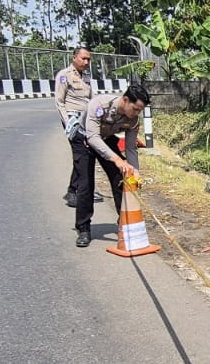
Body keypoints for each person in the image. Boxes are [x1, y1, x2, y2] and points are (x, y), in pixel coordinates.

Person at [74, 84, 150, 248]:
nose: (137, 114)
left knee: (120, 177)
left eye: (140, 111)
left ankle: (124, 221)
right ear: (125, 100)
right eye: (135, 109)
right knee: (85, 184)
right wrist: (116, 159)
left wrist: (135, 172)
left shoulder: (134, 119)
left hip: (107, 139)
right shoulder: (99, 105)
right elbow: (93, 137)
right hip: (85, 140)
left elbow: (130, 147)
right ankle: (84, 228)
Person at [56, 47, 102, 208]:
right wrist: (68, 122)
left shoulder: (86, 78)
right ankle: (76, 191)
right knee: (81, 153)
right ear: (74, 58)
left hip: (86, 120)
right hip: (72, 119)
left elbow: (92, 100)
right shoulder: (64, 76)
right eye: (83, 58)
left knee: (85, 154)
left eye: (88, 59)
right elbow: (60, 101)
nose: (86, 62)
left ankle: (77, 189)